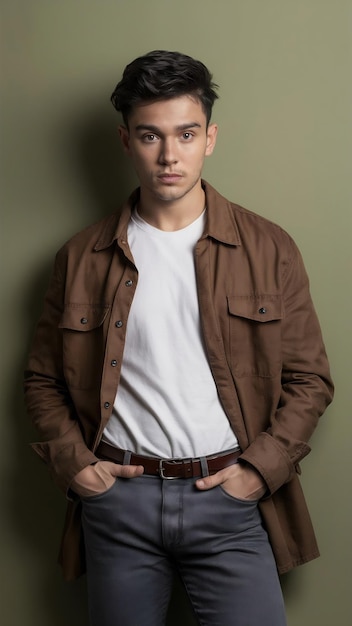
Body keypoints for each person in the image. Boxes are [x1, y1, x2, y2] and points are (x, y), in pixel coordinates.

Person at [24, 50, 333, 626]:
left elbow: (310, 378)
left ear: (209, 138)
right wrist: (79, 470)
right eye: (151, 136)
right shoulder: (81, 257)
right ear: (125, 140)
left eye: (186, 134)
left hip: (230, 501)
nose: (170, 156)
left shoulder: (269, 249)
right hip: (119, 506)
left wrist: (256, 472)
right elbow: (42, 379)